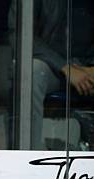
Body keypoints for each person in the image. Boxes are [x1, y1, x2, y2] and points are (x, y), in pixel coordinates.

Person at [10, 0, 94, 150]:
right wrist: (65, 67)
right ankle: (30, 156)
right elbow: (20, 33)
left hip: (89, 66)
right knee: (31, 72)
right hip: (54, 66)